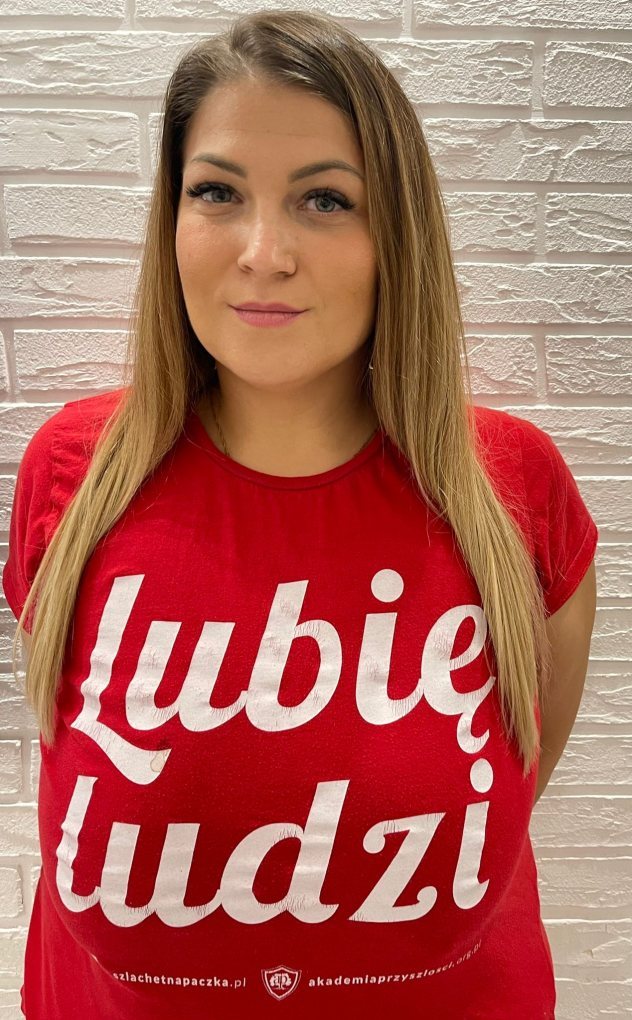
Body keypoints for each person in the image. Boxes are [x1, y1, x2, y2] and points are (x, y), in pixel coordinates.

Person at [2, 10, 598, 1019]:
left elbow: (514, 787)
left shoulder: (514, 488)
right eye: (217, 193)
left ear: (394, 232)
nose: (264, 252)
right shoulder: (74, 474)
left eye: (325, 199)